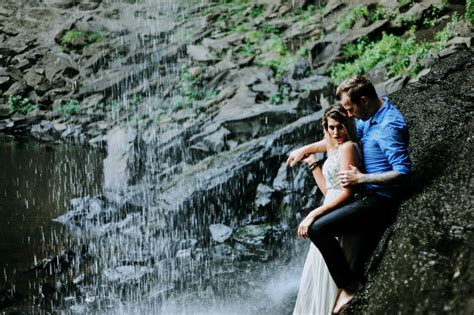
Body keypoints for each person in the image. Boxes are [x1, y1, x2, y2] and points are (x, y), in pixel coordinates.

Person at [288, 76, 411, 313]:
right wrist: (306, 150)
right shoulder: (368, 116)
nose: (349, 114)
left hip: (379, 200)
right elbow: (339, 140)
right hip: (363, 195)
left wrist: (362, 179)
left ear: (363, 101)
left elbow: (403, 172)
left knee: (318, 228)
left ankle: (350, 286)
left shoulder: (389, 126)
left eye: (349, 108)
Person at [293, 104, 361, 315]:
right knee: (316, 275)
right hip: (330, 204)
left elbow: (347, 193)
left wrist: (312, 214)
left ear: (348, 125)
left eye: (340, 127)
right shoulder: (334, 147)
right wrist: (312, 162)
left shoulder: (349, 146)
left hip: (341, 208)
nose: (336, 132)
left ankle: (347, 291)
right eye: (331, 127)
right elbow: (328, 190)